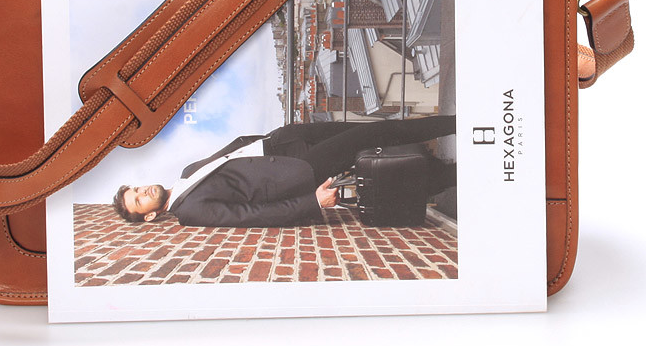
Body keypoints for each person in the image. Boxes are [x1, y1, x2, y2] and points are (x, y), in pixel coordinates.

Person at [113, 114, 456, 228]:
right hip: (299, 170)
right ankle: (459, 125)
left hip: (283, 141)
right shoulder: (190, 212)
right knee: (377, 134)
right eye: (138, 201)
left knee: (372, 131)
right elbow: (251, 216)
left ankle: (444, 171)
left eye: (137, 189)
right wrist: (312, 202)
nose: (143, 192)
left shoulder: (187, 171)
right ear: (150, 215)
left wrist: (276, 135)